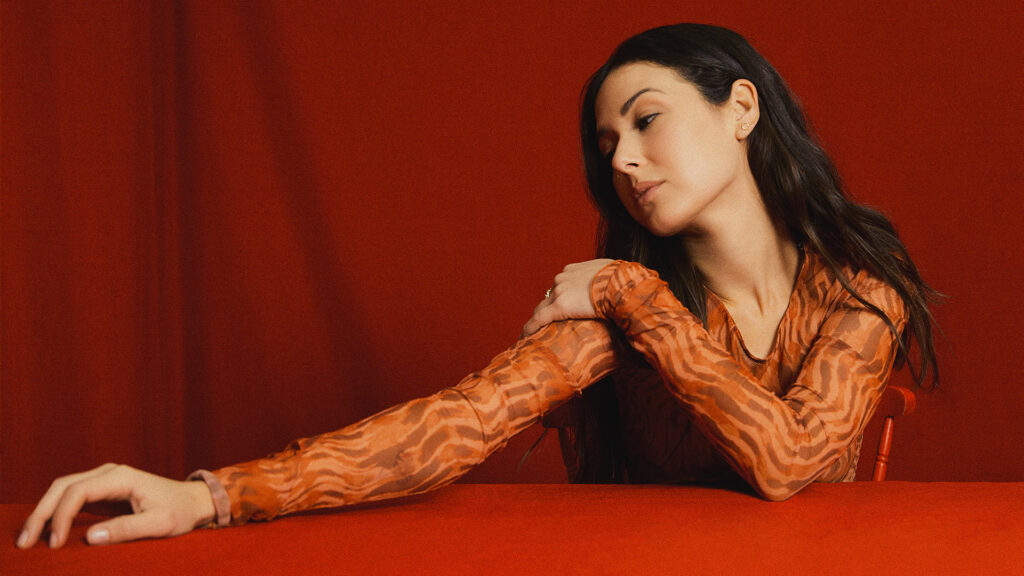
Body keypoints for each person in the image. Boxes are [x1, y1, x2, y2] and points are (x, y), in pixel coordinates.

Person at [17, 23, 937, 550]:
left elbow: (785, 462)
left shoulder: (858, 287)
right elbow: (457, 424)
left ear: (740, 108)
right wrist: (206, 496)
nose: (623, 159)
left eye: (646, 119)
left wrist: (635, 295)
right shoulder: (615, 310)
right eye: (607, 144)